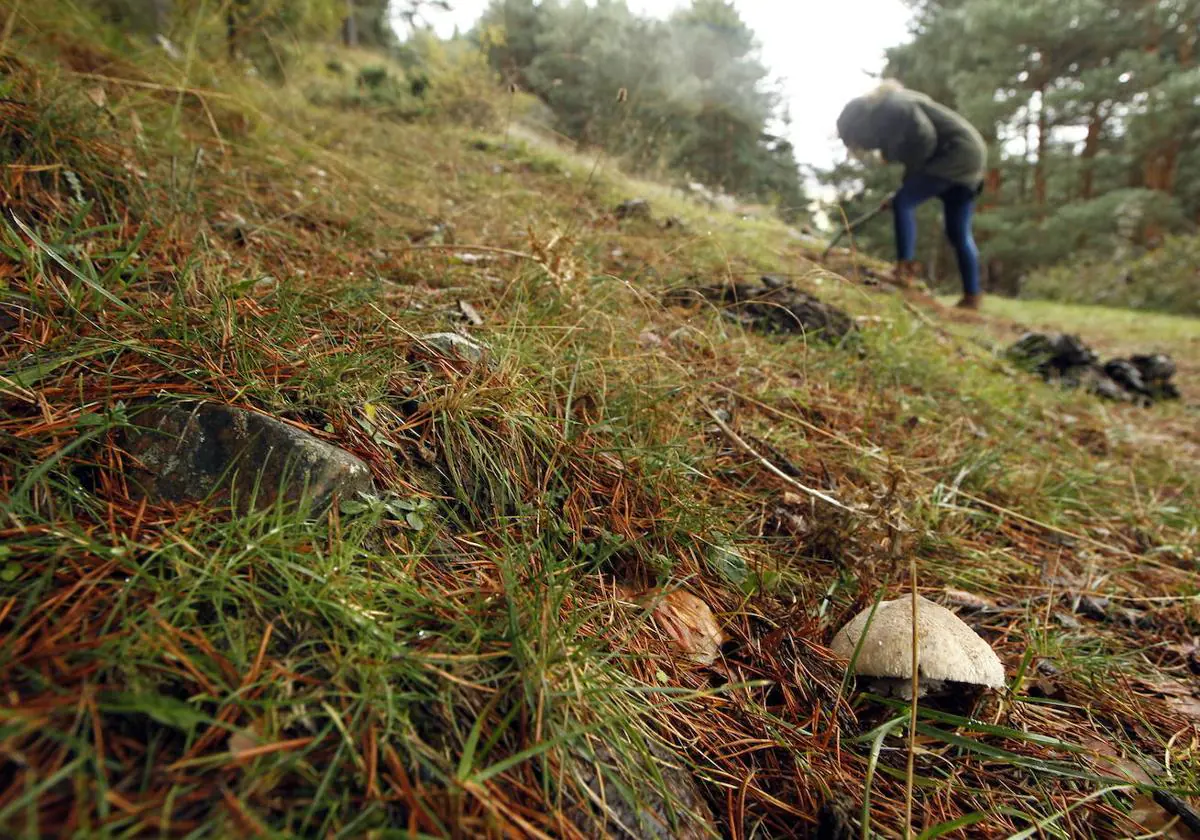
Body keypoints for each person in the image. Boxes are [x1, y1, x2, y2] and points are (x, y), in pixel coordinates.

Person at [836, 80, 988, 310]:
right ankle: (972, 297)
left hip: (956, 154)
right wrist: (904, 189)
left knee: (904, 203)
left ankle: (903, 271)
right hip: (971, 159)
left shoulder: (893, 106)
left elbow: (925, 140)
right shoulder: (897, 102)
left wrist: (903, 191)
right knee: (958, 232)